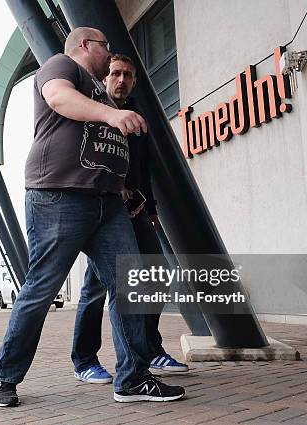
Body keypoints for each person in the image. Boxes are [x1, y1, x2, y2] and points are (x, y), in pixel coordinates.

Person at [0, 27, 185, 407]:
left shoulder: (104, 95)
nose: (109, 53)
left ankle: (132, 379)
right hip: (58, 197)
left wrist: (125, 187)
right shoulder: (62, 67)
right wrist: (111, 117)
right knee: (41, 289)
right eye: (105, 46)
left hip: (108, 204)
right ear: (85, 45)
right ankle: (6, 377)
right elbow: (58, 98)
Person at [71, 54, 189, 385]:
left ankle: (150, 349)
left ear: (134, 81)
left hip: (136, 211)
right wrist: (112, 187)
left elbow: (143, 167)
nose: (121, 79)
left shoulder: (137, 118)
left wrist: (150, 209)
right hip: (102, 210)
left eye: (128, 75)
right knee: (98, 288)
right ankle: (84, 360)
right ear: (104, 78)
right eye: (115, 73)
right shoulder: (92, 111)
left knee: (157, 276)